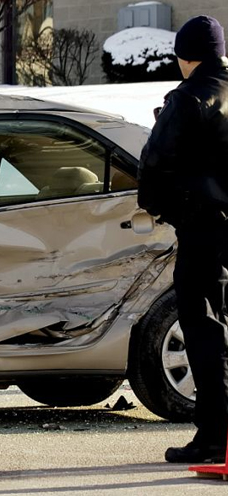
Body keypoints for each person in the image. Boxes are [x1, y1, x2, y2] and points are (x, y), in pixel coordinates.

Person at [138, 15, 228, 464]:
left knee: (203, 326)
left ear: (184, 55)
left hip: (205, 230)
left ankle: (214, 435)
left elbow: (153, 166)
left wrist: (167, 211)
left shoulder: (189, 98)